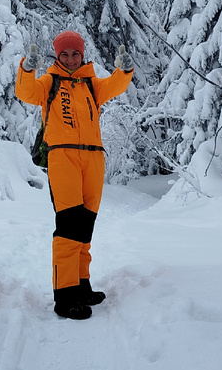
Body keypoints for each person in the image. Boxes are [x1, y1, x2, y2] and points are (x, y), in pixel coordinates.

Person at [15, 30, 134, 320]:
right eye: (65, 54)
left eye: (75, 53)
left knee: (85, 227)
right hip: (63, 157)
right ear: (58, 56)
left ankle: (81, 285)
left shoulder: (92, 84)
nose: (70, 58)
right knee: (69, 227)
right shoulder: (49, 82)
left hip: (93, 158)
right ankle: (65, 296)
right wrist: (27, 69)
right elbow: (25, 92)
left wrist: (125, 69)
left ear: (82, 55)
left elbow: (115, 86)